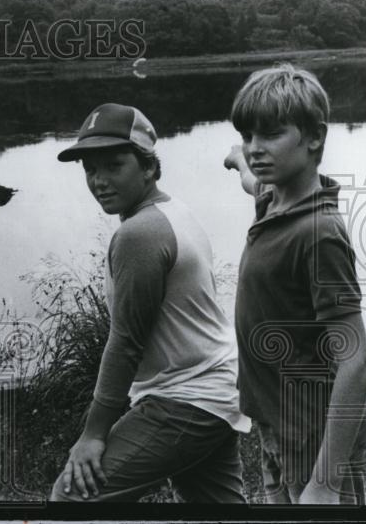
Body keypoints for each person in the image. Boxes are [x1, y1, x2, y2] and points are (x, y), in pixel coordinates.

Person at [50, 103, 250, 503]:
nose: (99, 181)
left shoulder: (140, 233)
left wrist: (93, 435)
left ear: (148, 167)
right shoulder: (172, 212)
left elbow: (125, 342)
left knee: (73, 497)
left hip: (187, 398)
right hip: (216, 388)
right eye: (90, 168)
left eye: (113, 165)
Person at [223, 64, 366, 505]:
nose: (255, 149)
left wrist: (325, 483)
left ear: (314, 138)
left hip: (312, 432)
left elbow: (357, 363)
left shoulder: (319, 233)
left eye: (269, 134)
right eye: (249, 136)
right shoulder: (275, 197)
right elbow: (253, 182)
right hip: (276, 424)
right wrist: (237, 158)